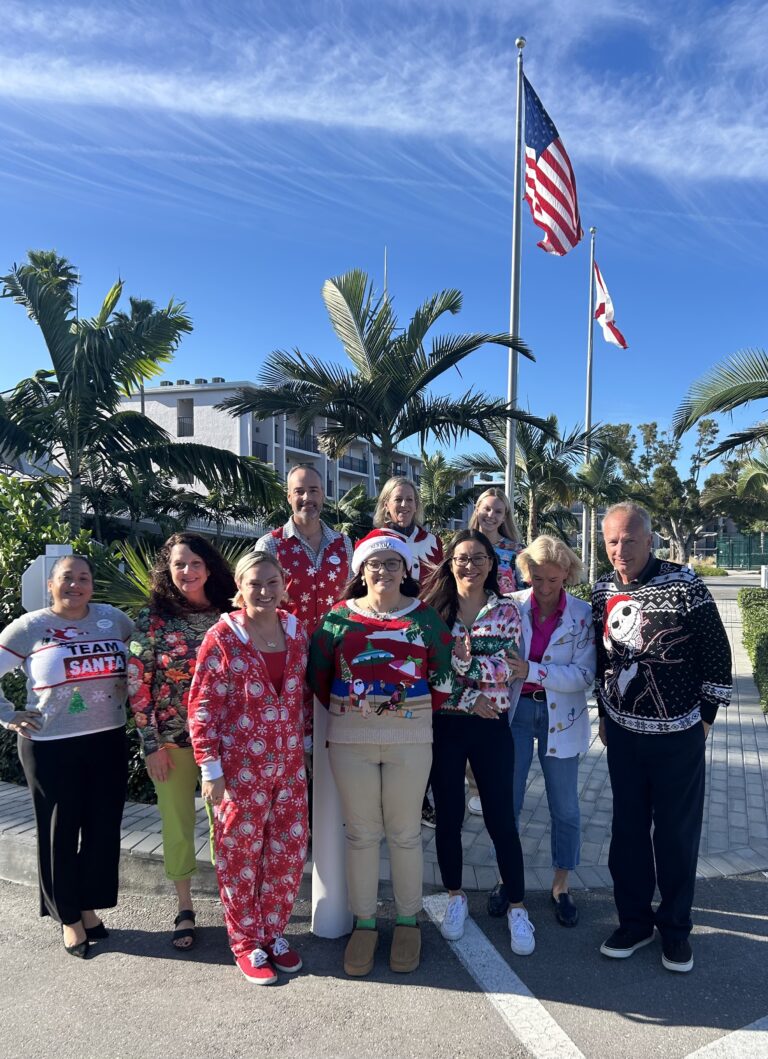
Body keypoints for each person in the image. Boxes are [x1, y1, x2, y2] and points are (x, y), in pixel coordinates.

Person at [593, 502, 732, 973]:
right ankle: (634, 922)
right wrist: (603, 714)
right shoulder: (601, 589)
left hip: (679, 739)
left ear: (649, 539)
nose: (620, 549)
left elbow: (717, 654)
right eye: (612, 541)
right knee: (627, 834)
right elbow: (600, 658)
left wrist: (705, 721)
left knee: (675, 836)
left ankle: (675, 929)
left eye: (629, 540)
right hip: (624, 738)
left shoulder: (686, 584)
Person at [309, 530, 453, 976]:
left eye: (393, 563)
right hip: (350, 742)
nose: (384, 571)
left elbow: (442, 679)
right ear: (361, 569)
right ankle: (366, 923)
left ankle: (408, 920)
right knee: (362, 834)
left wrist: (405, 715)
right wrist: (359, 713)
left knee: (406, 832)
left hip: (411, 742)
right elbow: (318, 675)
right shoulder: (336, 619)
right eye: (376, 563)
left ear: (407, 569)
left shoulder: (425, 618)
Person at [0, 554, 133, 959]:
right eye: (66, 578)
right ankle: (69, 919)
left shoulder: (115, 620)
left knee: (102, 830)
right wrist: (7, 715)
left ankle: (88, 907)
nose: (75, 585)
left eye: (83, 578)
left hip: (108, 739)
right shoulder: (30, 628)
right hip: (51, 745)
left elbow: (141, 660)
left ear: (93, 584)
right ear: (50, 585)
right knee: (60, 831)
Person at [188, 552, 312, 984]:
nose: (263, 591)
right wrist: (210, 768)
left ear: (283, 586)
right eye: (254, 583)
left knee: (287, 851)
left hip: (289, 767)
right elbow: (202, 706)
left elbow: (301, 698)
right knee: (240, 855)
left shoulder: (297, 633)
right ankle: (246, 942)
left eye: (271, 582)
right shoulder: (223, 637)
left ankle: (274, 931)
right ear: (239, 588)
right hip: (239, 771)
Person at [422, 530, 535, 956]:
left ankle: (518, 907)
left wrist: (463, 664)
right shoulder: (433, 611)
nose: (469, 565)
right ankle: (455, 896)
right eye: (461, 558)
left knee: (501, 819)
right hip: (448, 725)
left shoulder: (506, 609)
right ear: (450, 563)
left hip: (493, 726)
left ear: (492, 563)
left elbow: (507, 669)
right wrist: (470, 693)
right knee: (449, 817)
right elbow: (429, 671)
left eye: (478, 558)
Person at [127, 532, 236, 951]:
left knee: (226, 827)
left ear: (209, 567)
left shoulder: (230, 615)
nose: (187, 572)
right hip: (170, 745)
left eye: (195, 563)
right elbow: (138, 683)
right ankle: (185, 906)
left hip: (225, 744)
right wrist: (150, 745)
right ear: (167, 571)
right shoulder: (151, 619)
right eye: (178, 565)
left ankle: (233, 905)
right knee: (178, 826)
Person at [486, 535, 595, 927]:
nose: (545, 589)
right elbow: (492, 655)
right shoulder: (510, 606)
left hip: (560, 717)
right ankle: (506, 878)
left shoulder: (582, 614)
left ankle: (561, 885)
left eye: (553, 579)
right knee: (507, 803)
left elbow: (584, 674)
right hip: (515, 714)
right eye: (536, 579)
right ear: (525, 573)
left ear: (567, 573)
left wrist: (532, 671)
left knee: (565, 806)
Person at [373, 475, 443, 826]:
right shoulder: (374, 542)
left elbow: (443, 590)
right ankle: (383, 799)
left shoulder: (433, 542)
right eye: (396, 499)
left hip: (423, 639)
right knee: (385, 714)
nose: (403, 506)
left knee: (421, 718)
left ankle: (419, 798)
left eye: (409, 500)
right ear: (386, 503)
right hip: (384, 640)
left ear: (417, 504)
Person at [254, 463, 353, 633]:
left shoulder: (343, 544)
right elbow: (257, 599)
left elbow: (352, 594)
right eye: (299, 491)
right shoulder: (270, 544)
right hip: (288, 645)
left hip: (334, 646)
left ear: (322, 495)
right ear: (289, 497)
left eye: (314, 490)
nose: (307, 497)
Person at [468, 487, 525, 596]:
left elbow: (525, 591)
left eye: (498, 512)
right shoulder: (462, 547)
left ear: (504, 517)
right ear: (476, 510)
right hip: (470, 611)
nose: (491, 515)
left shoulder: (517, 551)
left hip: (507, 611)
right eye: (487, 509)